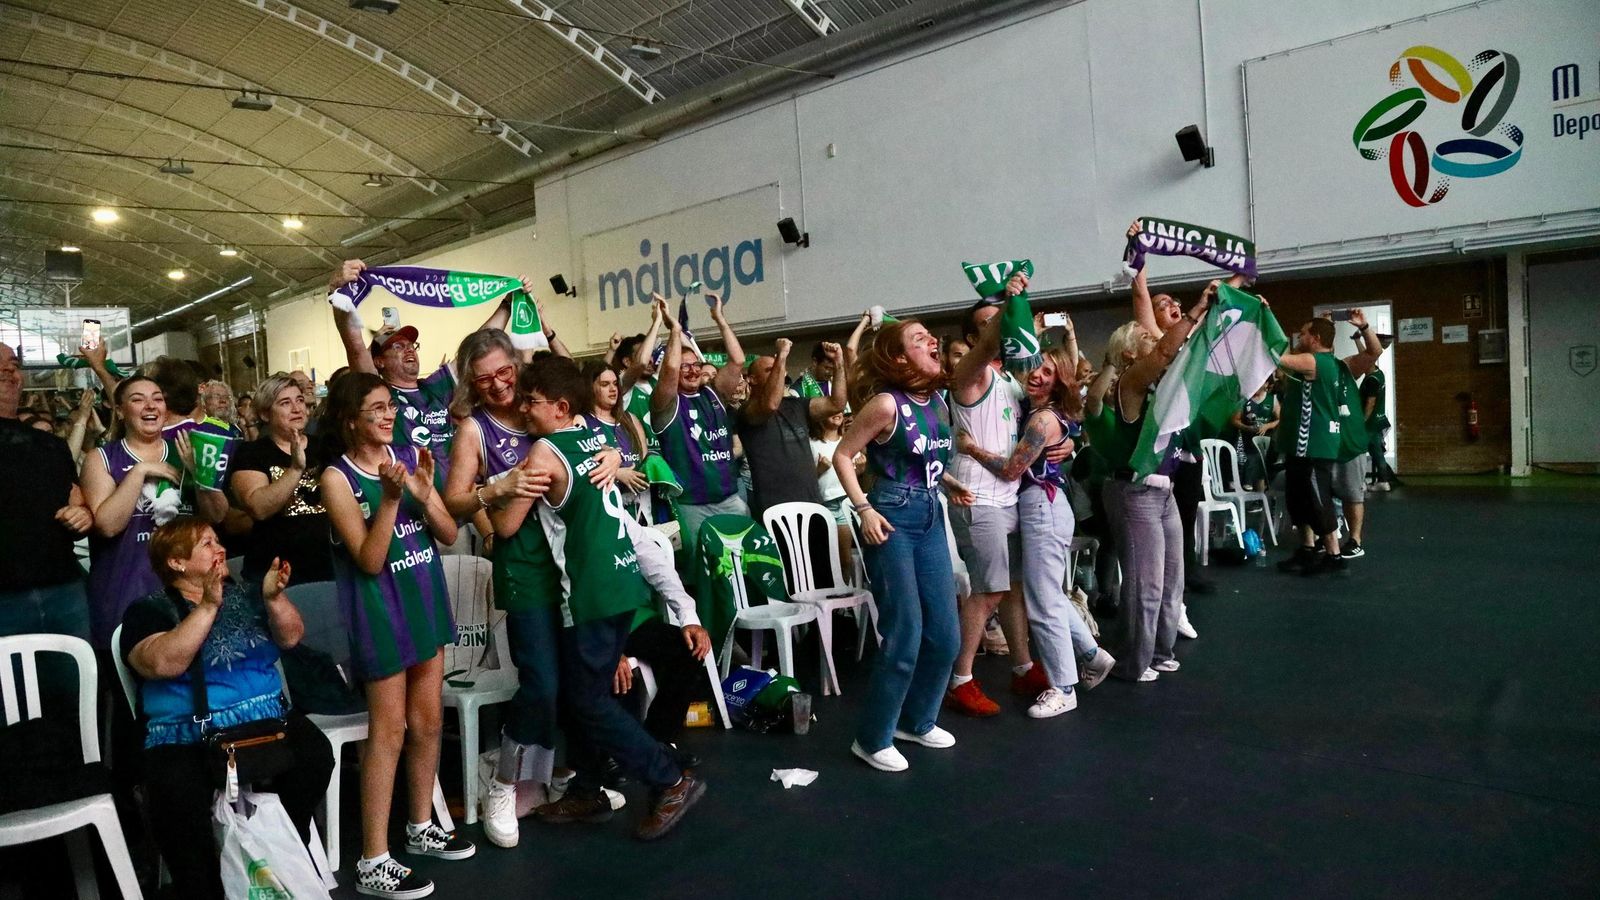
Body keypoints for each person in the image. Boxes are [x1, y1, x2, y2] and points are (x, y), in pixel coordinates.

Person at [500, 357, 709, 840]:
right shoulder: (595, 438)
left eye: (531, 401)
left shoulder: (544, 452)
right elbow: (608, 446)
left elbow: (507, 525)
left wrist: (495, 489)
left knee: (587, 701)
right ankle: (589, 790)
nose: (524, 409)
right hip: (622, 583)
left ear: (560, 407)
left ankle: (668, 777)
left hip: (590, 591)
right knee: (586, 695)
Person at [120, 518, 333, 900]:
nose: (219, 548)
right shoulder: (147, 611)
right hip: (189, 733)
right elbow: (162, 663)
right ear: (176, 562)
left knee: (314, 754)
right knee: (177, 794)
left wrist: (275, 600)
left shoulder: (248, 594)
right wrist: (207, 606)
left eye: (218, 540)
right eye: (206, 543)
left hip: (266, 721)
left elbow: (291, 637)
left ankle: (277, 848)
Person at [319, 372, 473, 898]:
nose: (389, 415)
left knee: (428, 723)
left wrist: (425, 497)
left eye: (391, 406)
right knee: (388, 733)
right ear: (350, 421)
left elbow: (448, 534)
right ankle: (372, 858)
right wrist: (389, 499)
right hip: (380, 611)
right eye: (377, 409)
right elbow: (369, 559)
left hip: (424, 598)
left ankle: (420, 825)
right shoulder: (336, 479)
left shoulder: (409, 455)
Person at [829, 319, 964, 772]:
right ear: (900, 358)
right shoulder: (887, 404)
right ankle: (872, 738)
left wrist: (947, 481)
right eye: (918, 339)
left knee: (946, 635)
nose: (932, 340)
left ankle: (917, 721)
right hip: (891, 516)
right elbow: (842, 455)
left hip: (929, 511)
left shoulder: (938, 402)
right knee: (905, 633)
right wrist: (864, 509)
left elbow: (922, 457)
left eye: (930, 334)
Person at [955, 346, 1116, 717]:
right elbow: (1071, 424)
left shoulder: (1041, 420)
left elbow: (1012, 469)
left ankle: (1064, 688)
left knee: (1043, 601)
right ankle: (1092, 654)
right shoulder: (1031, 408)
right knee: (1047, 594)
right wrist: (1070, 438)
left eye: (1048, 371)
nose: (1038, 375)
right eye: (1035, 367)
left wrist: (970, 448)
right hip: (1036, 506)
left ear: (1060, 381)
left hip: (1044, 506)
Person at [1085, 280, 1220, 683]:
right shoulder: (1130, 382)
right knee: (1145, 584)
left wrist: (1215, 315)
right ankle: (1133, 661)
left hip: (1164, 490)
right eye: (1146, 337)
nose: (1157, 339)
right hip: (1135, 492)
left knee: (1172, 579)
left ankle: (1160, 652)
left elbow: (1184, 353)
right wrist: (1196, 309)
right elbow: (1164, 351)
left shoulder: (1164, 385)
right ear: (1129, 354)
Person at [328, 259, 520, 488]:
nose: (409, 349)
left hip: (460, 498)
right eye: (398, 346)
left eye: (412, 345)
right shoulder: (381, 396)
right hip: (414, 501)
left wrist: (508, 304)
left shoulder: (435, 386)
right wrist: (338, 293)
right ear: (378, 361)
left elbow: (477, 345)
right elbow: (355, 347)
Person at [944, 282, 1044, 717]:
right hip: (977, 497)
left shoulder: (1006, 378)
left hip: (1008, 496)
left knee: (1014, 588)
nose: (1001, 328)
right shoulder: (969, 375)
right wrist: (1009, 305)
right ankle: (960, 680)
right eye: (989, 324)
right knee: (988, 591)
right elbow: (989, 344)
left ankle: (1022, 667)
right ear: (972, 338)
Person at [81, 375, 225, 651]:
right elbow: (108, 525)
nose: (150, 406)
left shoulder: (186, 450)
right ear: (120, 411)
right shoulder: (103, 458)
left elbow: (217, 515)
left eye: (157, 399)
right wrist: (140, 471)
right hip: (123, 589)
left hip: (188, 590)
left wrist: (200, 476)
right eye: (138, 400)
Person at [1275, 312, 1384, 575]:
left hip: (1338, 441)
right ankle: (1308, 549)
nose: (1300, 337)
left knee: (1339, 495)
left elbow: (1375, 351)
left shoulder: (1338, 365)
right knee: (1301, 497)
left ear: (1316, 339)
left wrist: (1364, 327)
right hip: (1307, 442)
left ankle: (1343, 548)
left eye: (1304, 333)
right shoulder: (1312, 366)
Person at [0, 343, 93, 646]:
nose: (8, 369)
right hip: (4, 599)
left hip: (63, 590)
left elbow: (77, 500)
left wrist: (83, 515)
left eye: (14, 364)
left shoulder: (50, 445)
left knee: (76, 675)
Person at [649, 293, 749, 540]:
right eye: (685, 366)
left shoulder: (714, 394)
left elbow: (738, 360)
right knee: (698, 562)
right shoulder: (666, 403)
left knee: (741, 560)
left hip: (730, 498)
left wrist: (720, 319)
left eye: (695, 365)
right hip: (690, 505)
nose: (692, 370)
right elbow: (670, 368)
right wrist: (675, 330)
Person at [230, 373, 334, 585]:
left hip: (328, 568)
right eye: (285, 403)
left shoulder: (325, 447)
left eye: (300, 400)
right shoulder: (252, 453)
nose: (297, 409)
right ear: (265, 414)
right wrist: (295, 469)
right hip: (274, 574)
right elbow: (258, 508)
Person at [736, 338, 847, 521]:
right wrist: (781, 356)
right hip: (776, 509)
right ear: (752, 379)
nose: (778, 371)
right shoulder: (747, 410)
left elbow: (837, 403)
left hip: (811, 501)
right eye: (770, 369)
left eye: (779, 368)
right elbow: (770, 405)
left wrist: (839, 364)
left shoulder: (796, 404)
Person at [583, 361, 653, 519]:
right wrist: (617, 473)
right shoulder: (581, 421)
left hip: (640, 507)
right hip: (606, 510)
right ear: (590, 388)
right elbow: (581, 466)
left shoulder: (631, 419)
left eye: (615, 383)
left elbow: (644, 460)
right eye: (605, 384)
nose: (613, 389)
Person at [809, 403, 858, 580]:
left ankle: (847, 592)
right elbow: (805, 480)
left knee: (845, 559)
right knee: (825, 559)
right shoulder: (811, 444)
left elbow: (854, 475)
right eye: (831, 410)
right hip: (822, 505)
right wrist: (819, 470)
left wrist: (860, 469)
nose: (838, 413)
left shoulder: (849, 442)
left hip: (844, 503)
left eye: (840, 411)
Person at [1227, 380, 1280, 491]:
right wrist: (1247, 428)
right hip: (1246, 440)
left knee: (1261, 471)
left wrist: (1267, 426)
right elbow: (1234, 420)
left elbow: (1280, 419)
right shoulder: (1245, 399)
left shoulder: (1272, 399)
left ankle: (1260, 496)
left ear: (1266, 383)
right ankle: (1242, 484)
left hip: (1265, 443)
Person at [1361, 359, 1400, 491]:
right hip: (1378, 420)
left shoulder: (1371, 380)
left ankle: (1361, 483)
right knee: (1377, 453)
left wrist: (1363, 420)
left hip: (1369, 424)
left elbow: (1370, 403)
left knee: (1359, 451)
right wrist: (1359, 344)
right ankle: (1383, 481)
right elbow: (1370, 355)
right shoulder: (1379, 374)